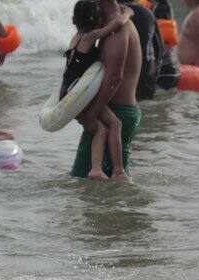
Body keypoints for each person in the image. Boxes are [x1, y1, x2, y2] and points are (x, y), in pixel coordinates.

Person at [59, 0, 133, 180]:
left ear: (73, 21)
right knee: (115, 124)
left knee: (99, 127)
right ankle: (116, 171)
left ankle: (96, 170)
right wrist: (129, 12)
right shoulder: (91, 36)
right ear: (97, 20)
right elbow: (119, 24)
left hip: (67, 91)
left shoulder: (75, 38)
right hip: (79, 93)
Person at [118, 0, 163, 100]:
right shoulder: (148, 13)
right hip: (148, 69)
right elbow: (160, 47)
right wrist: (155, 72)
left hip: (128, 72)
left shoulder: (117, 14)